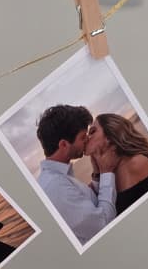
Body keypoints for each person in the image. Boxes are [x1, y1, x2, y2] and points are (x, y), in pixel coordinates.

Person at [34, 104, 116, 245]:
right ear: (64, 145)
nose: (87, 139)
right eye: (83, 137)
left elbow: (89, 205)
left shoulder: (59, 178)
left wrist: (97, 174)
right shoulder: (55, 187)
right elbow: (102, 225)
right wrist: (107, 172)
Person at [84, 113, 148, 215]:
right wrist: (97, 173)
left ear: (109, 137)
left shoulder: (136, 164)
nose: (87, 138)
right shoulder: (105, 174)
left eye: (92, 132)